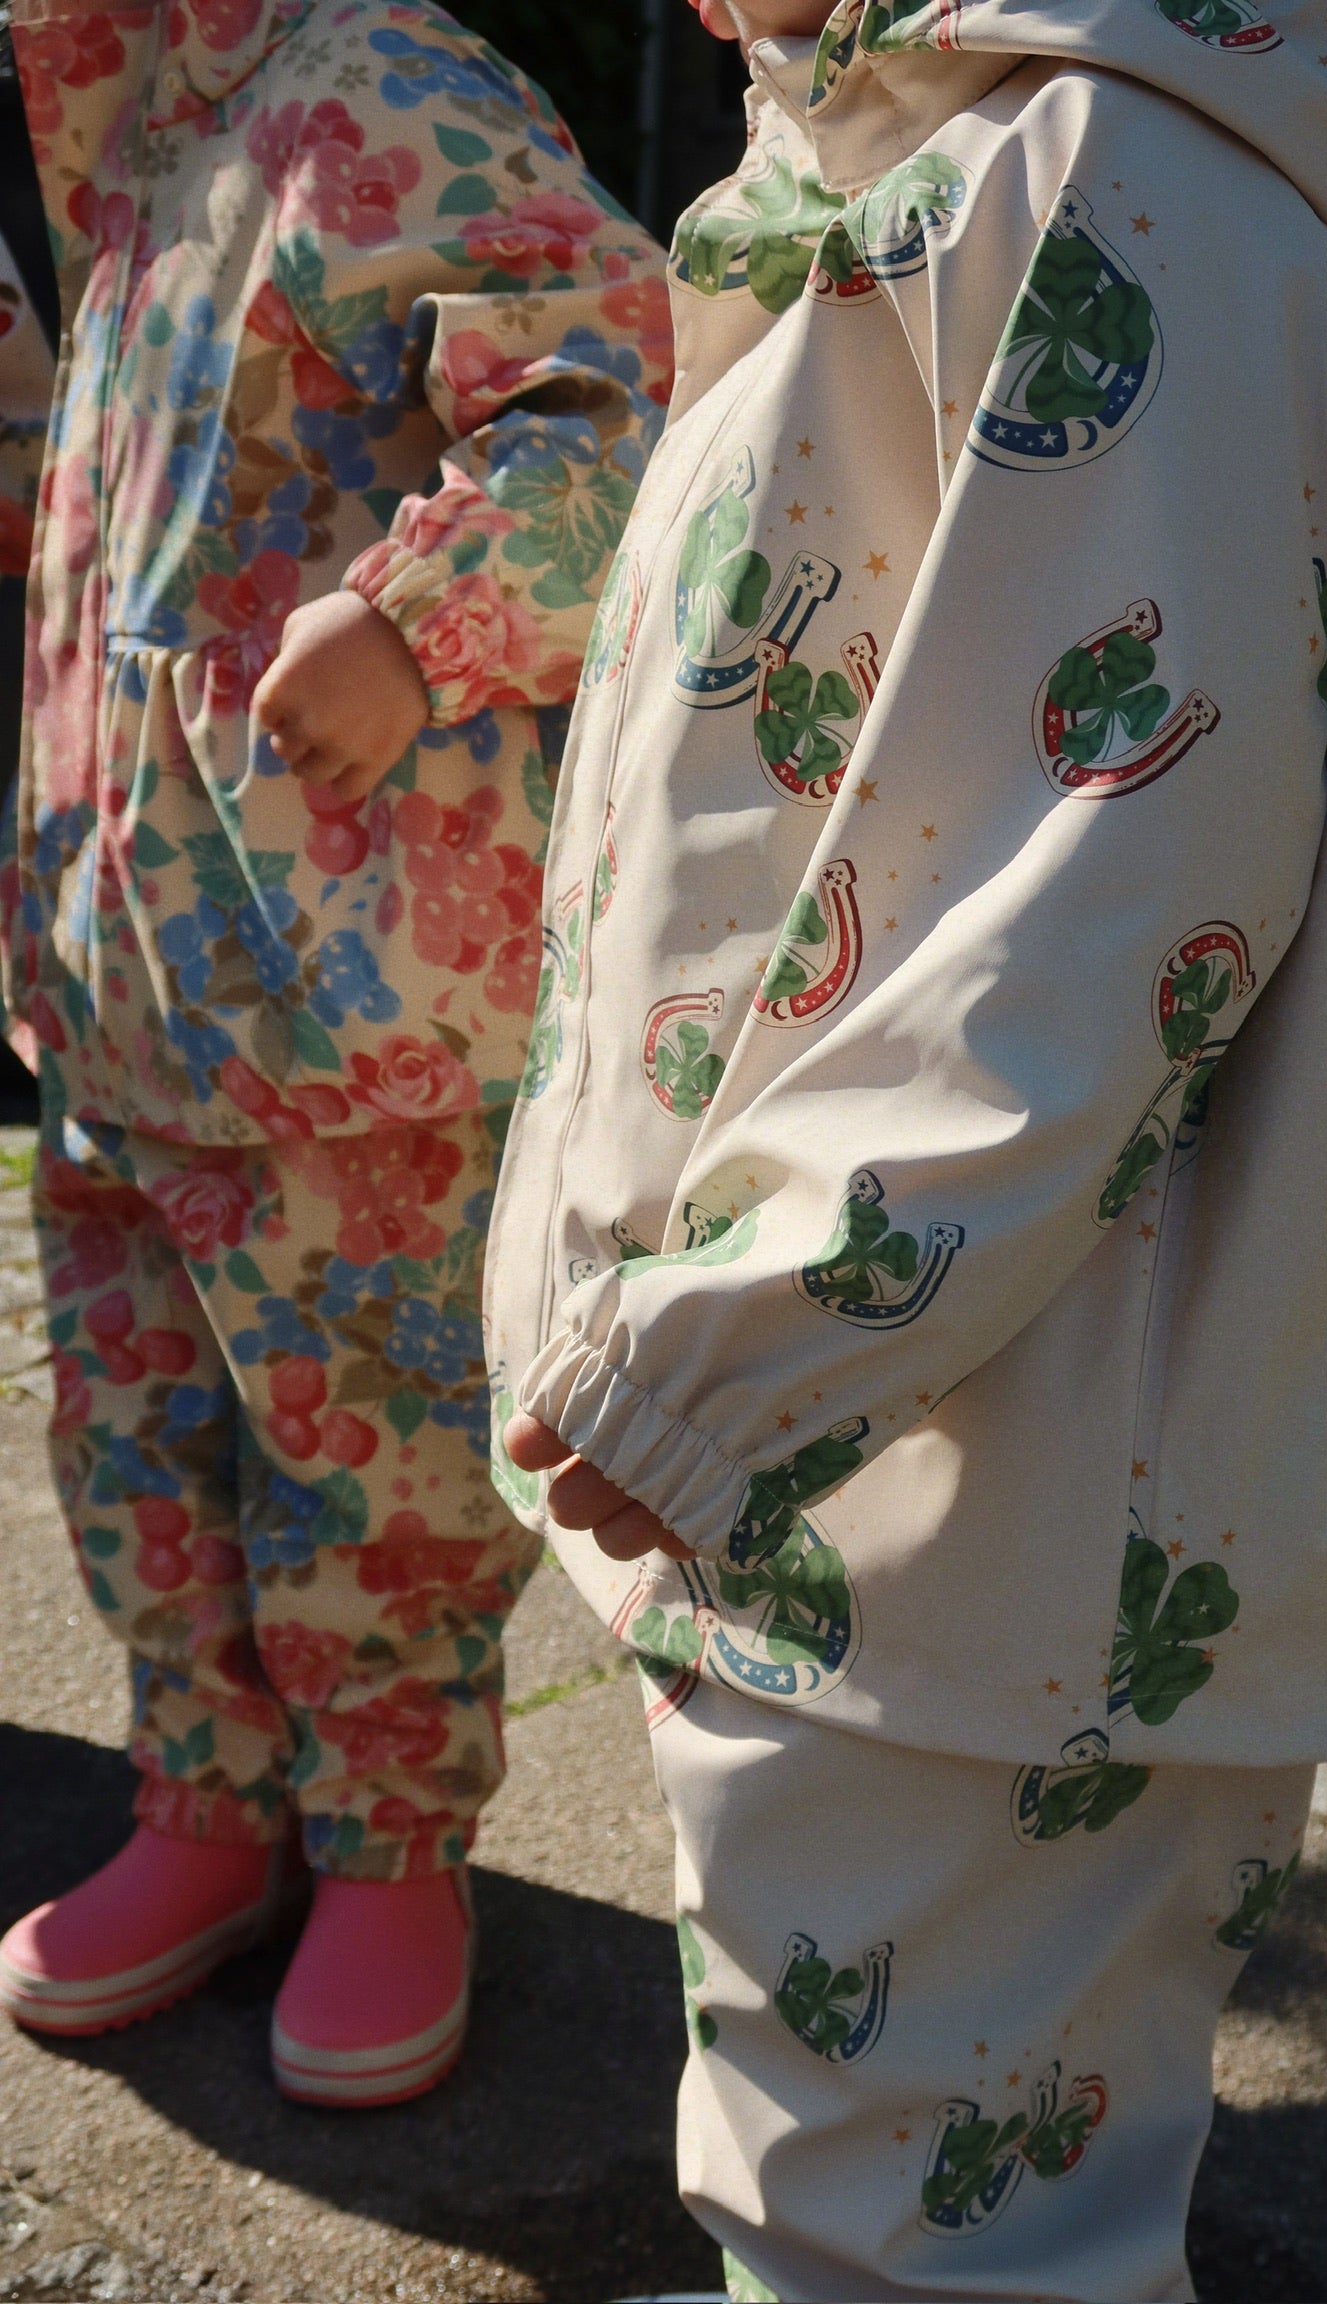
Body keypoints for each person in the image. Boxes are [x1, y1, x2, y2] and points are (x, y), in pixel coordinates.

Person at [489, 0, 1327, 2291]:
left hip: (994, 1450)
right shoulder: (948, 165)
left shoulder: (1105, 181)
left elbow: (1111, 875)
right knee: (877, 2116)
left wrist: (742, 1341)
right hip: (905, 1435)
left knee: (941, 2205)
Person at [0, 0, 668, 2108]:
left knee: (372, 1461)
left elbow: (626, 393)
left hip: (343, 995)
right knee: (132, 1428)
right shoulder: (130, 147)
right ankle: (204, 1802)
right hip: (120, 980)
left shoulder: (377, 87)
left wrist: (422, 619)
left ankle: (390, 1851)